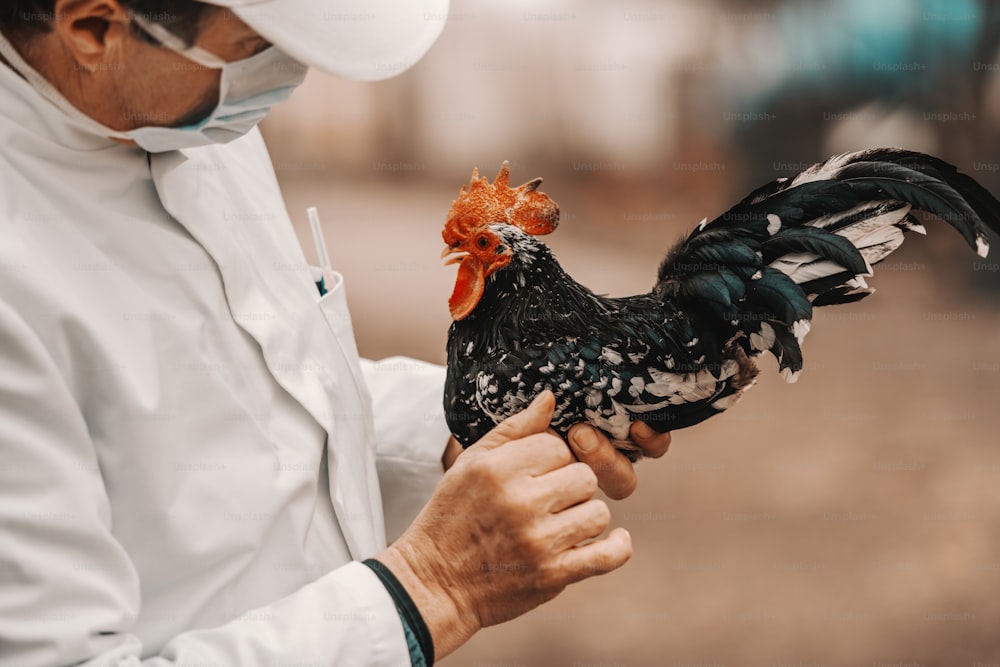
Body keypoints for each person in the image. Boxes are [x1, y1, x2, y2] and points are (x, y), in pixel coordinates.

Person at [0, 0, 672, 664]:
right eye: (254, 50)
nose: (290, 76)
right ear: (93, 27)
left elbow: (263, 398)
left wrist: (473, 420)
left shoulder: (190, 125)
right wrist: (432, 588)